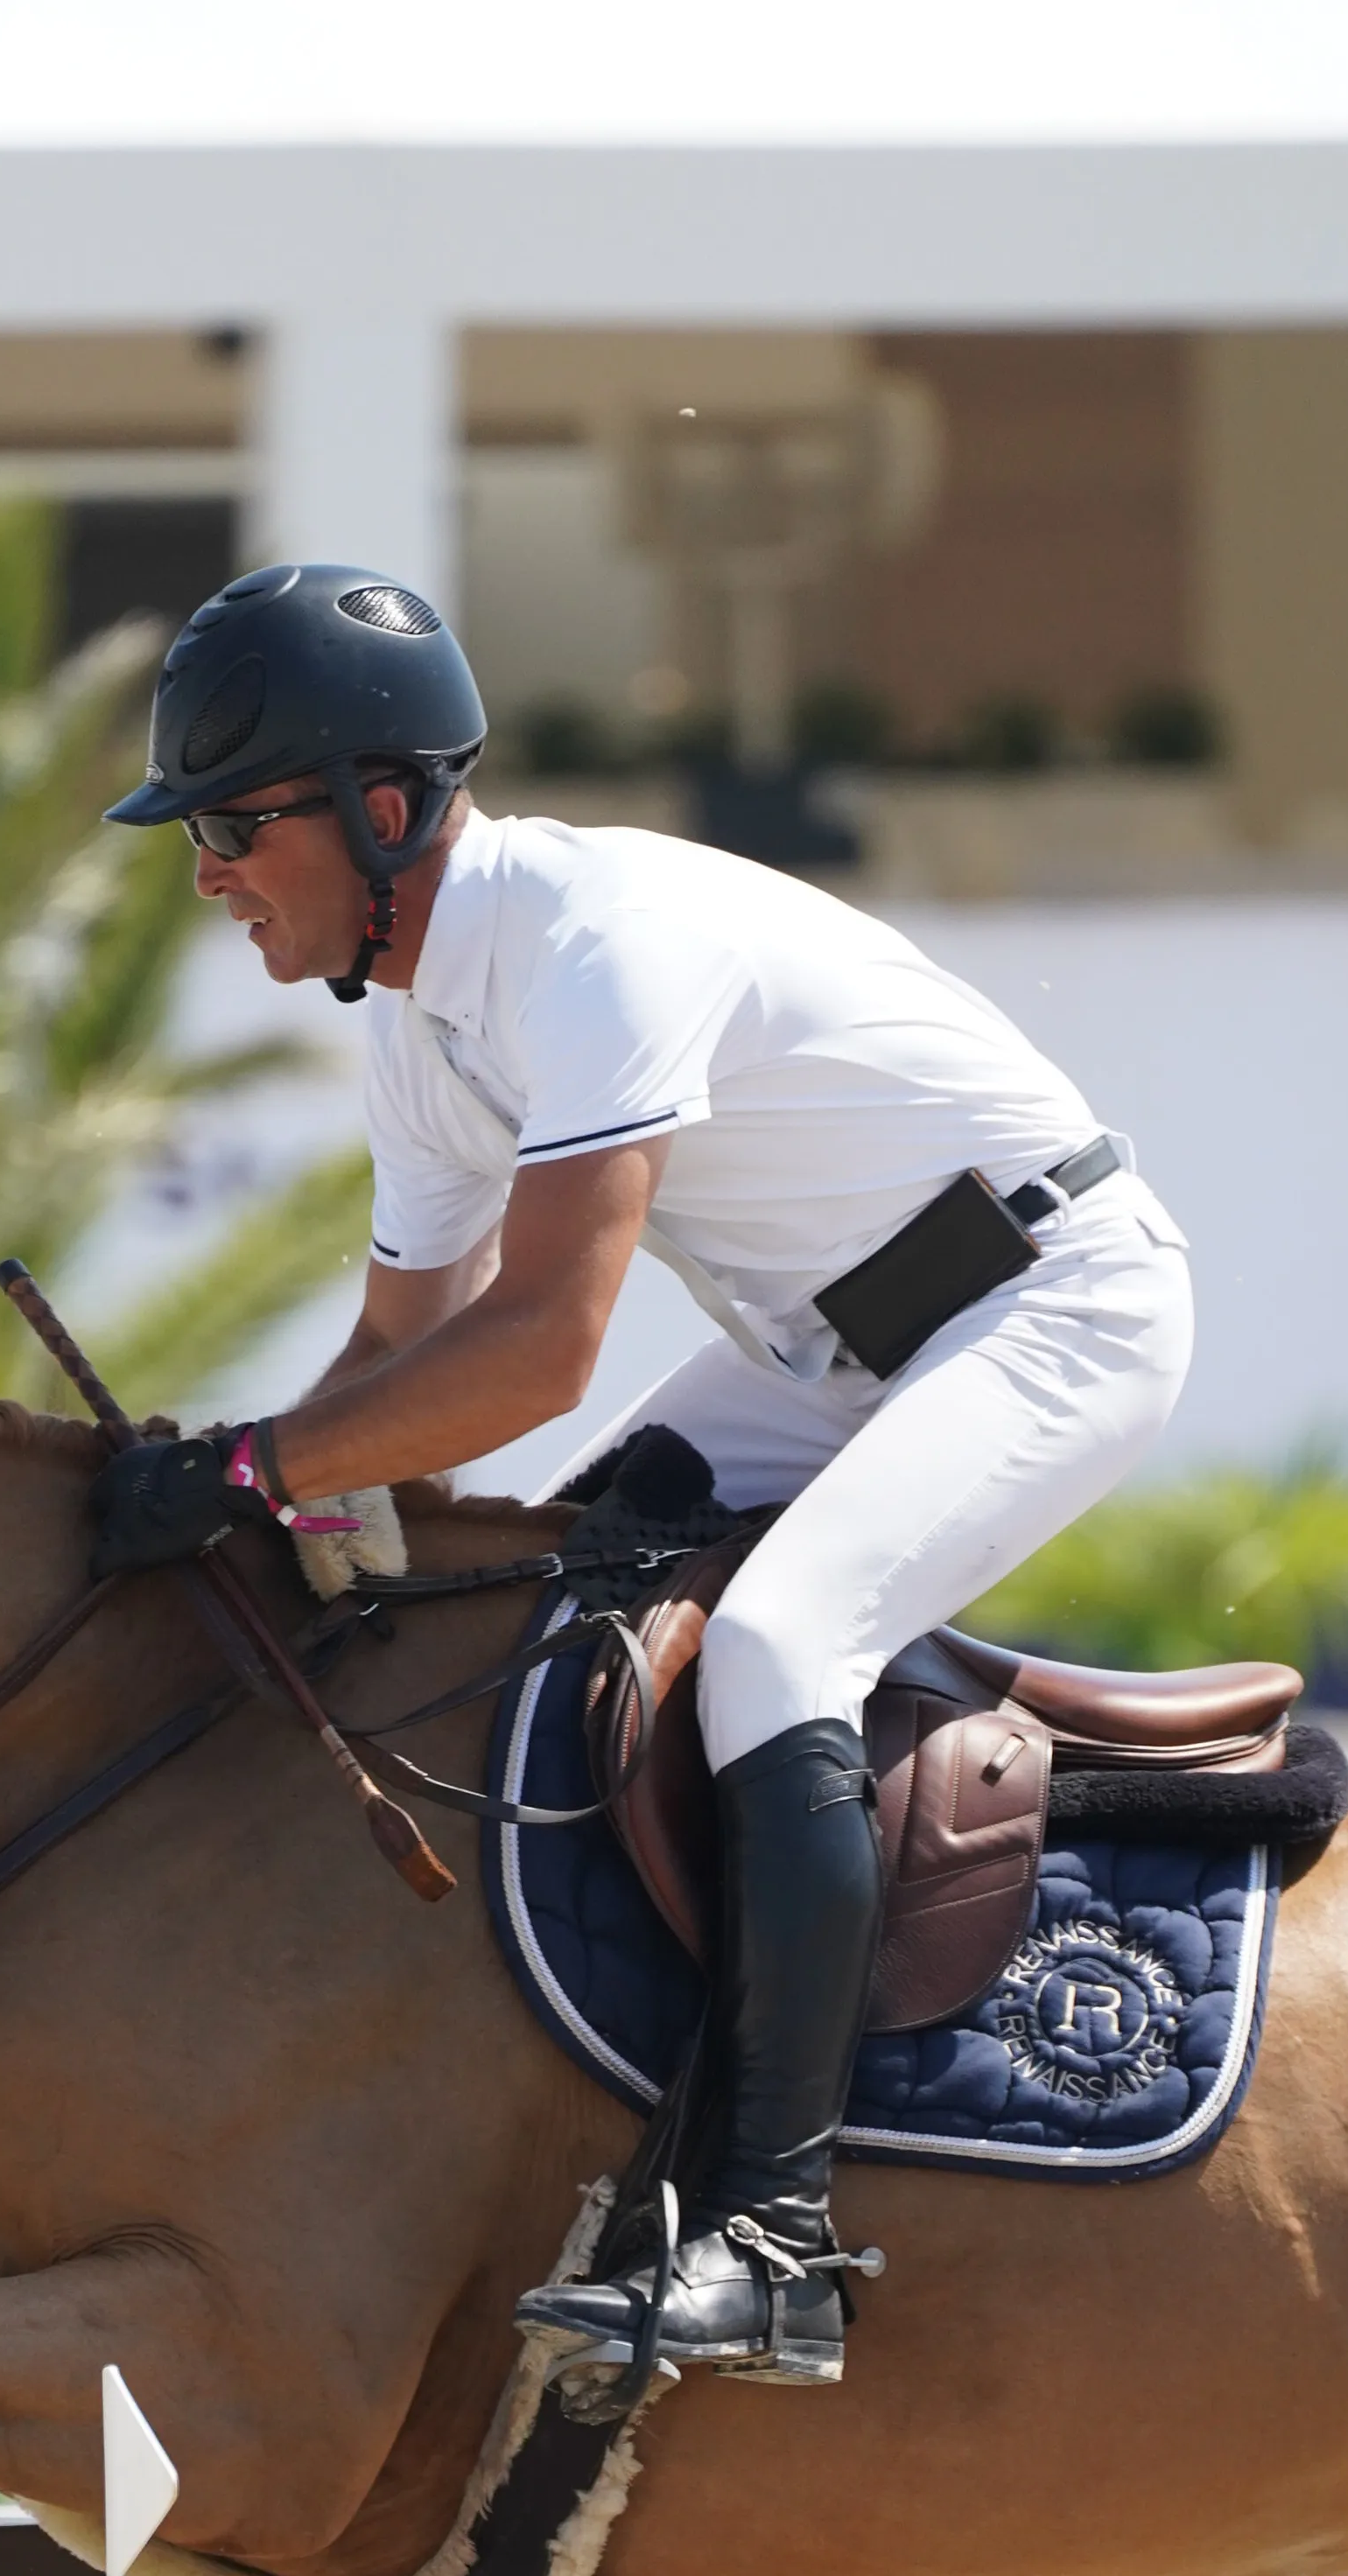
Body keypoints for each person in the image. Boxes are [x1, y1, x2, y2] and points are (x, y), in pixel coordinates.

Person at [93, 560, 1193, 2386]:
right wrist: (239, 1504)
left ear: (381, 811)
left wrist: (254, 1468)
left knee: (771, 1655)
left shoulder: (590, 942)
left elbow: (535, 1350)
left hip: (1053, 1303)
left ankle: (775, 2242)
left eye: (227, 828)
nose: (207, 876)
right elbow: (389, 1367)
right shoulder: (421, 1019)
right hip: (833, 1352)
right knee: (555, 1590)